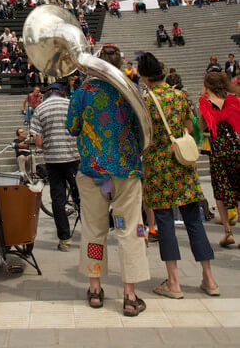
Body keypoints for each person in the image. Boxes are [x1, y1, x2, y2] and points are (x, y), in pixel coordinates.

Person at [67, 44, 149, 316]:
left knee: (94, 228)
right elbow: (143, 131)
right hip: (125, 170)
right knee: (131, 229)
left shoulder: (83, 92)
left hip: (93, 172)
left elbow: (72, 127)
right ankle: (129, 294)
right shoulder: (132, 91)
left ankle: (94, 288)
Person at [138, 52, 219, 298]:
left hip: (158, 168)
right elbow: (191, 126)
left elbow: (142, 135)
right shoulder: (180, 95)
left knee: (164, 223)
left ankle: (174, 283)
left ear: (144, 76)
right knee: (194, 221)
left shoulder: (146, 101)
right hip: (182, 164)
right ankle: (209, 278)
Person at [31, 82, 80, 252]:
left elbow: (38, 142)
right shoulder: (71, 104)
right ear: (62, 93)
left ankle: (64, 239)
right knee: (81, 195)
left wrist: (50, 145)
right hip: (74, 158)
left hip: (53, 161)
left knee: (58, 200)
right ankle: (91, 234)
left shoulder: (40, 109)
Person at [199, 71, 240, 248]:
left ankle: (228, 233)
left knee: (220, 191)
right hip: (235, 149)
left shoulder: (206, 104)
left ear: (207, 86)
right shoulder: (232, 101)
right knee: (238, 189)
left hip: (218, 152)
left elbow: (202, 127)